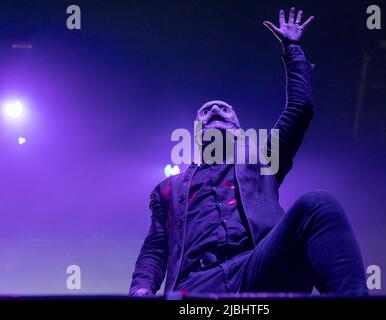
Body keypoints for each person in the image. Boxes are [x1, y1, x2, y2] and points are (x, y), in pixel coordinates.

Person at [129, 7, 368, 296]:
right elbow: (156, 246)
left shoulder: (263, 161)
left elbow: (300, 109)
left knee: (318, 205)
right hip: (196, 284)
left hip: (258, 268)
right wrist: (140, 290)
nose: (215, 110)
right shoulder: (168, 189)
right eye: (206, 111)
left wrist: (292, 49)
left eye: (225, 109)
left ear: (239, 130)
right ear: (196, 133)